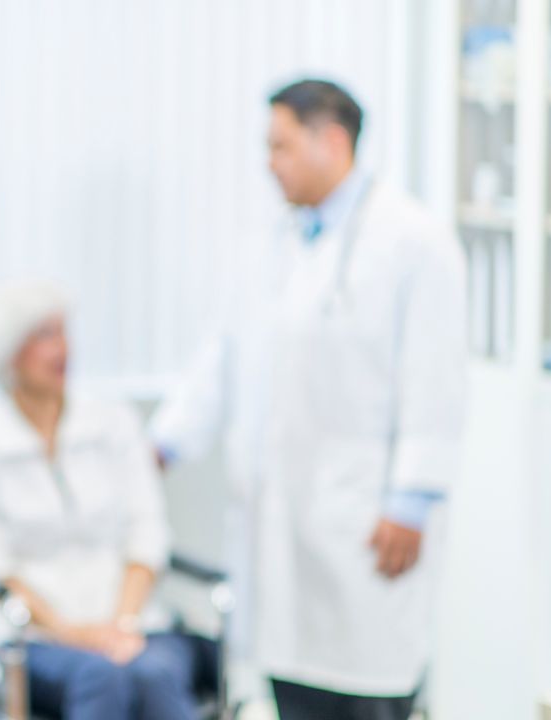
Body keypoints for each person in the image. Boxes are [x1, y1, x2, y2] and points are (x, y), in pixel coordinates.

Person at [152, 79, 466, 719]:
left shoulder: (414, 241)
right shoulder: (274, 245)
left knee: (367, 689)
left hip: (367, 521)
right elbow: (222, 356)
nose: (269, 163)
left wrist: (412, 499)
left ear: (332, 140)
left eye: (281, 146)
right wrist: (164, 442)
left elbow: (435, 379)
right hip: (284, 525)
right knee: (293, 687)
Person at [0, 283, 215, 720]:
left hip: (134, 628)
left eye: (63, 333)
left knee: (156, 675)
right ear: (9, 354)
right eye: (44, 336)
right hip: (30, 640)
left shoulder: (114, 424)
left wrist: (121, 625)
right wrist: (73, 634)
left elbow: (147, 533)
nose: (61, 348)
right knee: (101, 677)